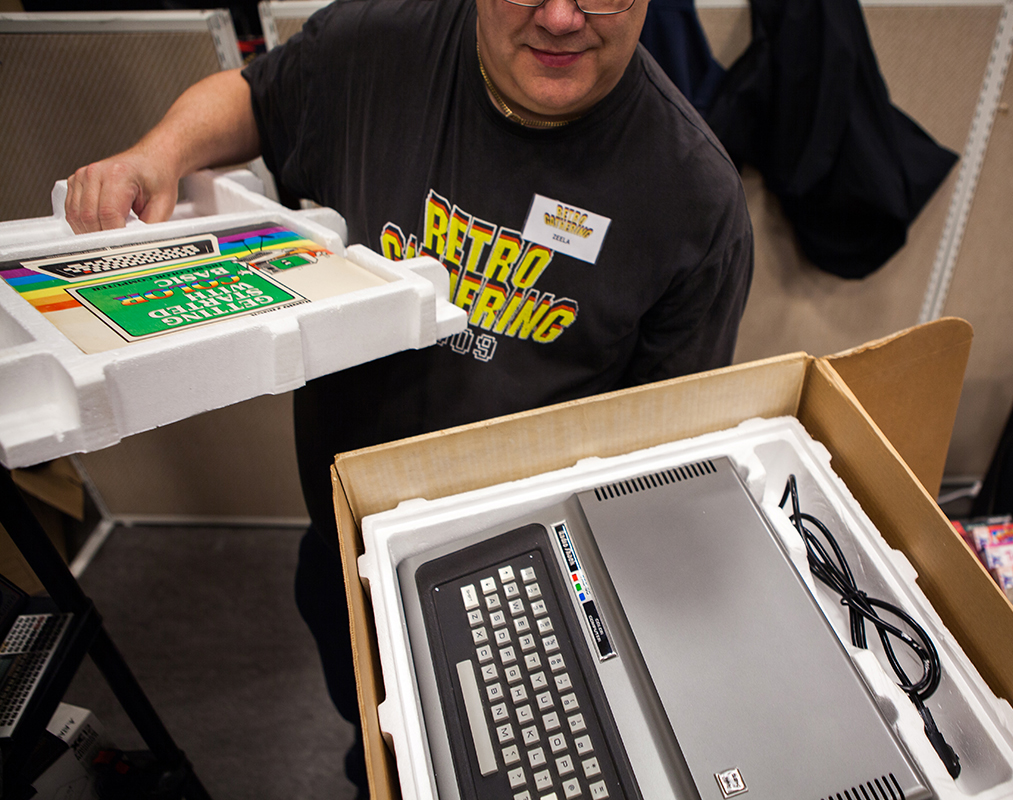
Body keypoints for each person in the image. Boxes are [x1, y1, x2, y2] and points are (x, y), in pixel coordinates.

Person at [66, 0, 753, 793]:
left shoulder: (693, 195)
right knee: (371, 730)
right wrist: (157, 154)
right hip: (347, 540)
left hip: (521, 583)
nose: (563, 17)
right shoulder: (375, 45)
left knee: (491, 767)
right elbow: (259, 96)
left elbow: (661, 453)